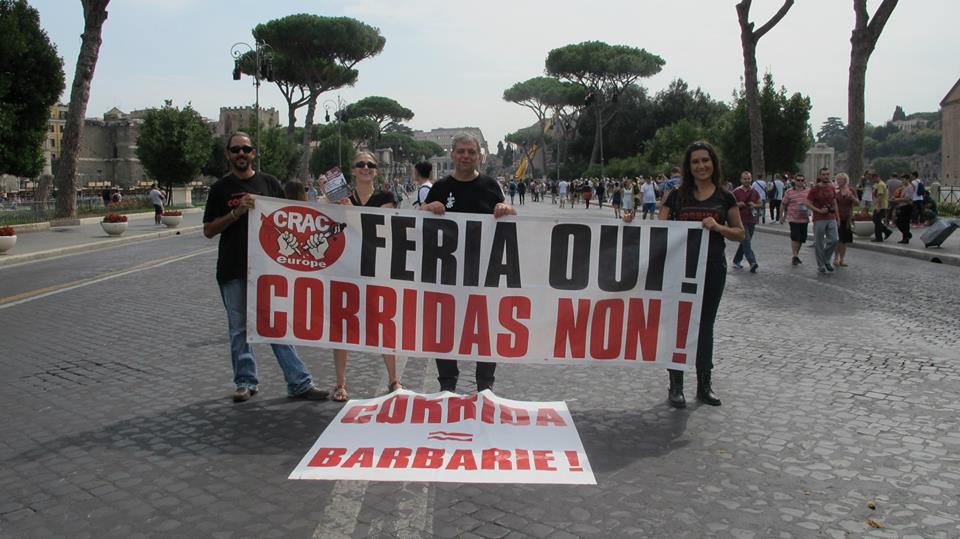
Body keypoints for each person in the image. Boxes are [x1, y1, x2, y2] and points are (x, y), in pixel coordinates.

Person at [202, 132, 329, 403]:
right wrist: (236, 212)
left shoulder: (269, 183)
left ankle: (299, 382)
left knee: (276, 326)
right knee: (239, 330)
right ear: (228, 154)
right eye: (235, 149)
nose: (241, 153)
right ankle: (245, 382)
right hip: (233, 268)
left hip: (268, 270)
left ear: (253, 153)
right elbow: (209, 230)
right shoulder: (219, 189)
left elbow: (291, 218)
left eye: (246, 149)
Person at [639, 140, 743, 408]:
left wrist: (718, 227)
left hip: (712, 268)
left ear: (713, 163)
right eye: (695, 162)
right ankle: (676, 385)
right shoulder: (675, 196)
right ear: (689, 166)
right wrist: (629, 223)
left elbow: (739, 234)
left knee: (705, 326)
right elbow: (658, 229)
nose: (701, 166)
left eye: (705, 160)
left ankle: (704, 385)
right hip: (679, 270)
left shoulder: (726, 197)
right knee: (679, 325)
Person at [421, 133, 516, 393]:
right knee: (445, 327)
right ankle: (447, 384)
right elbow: (418, 222)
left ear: (479, 156)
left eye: (471, 151)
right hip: (447, 273)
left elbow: (512, 217)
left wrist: (507, 209)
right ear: (452, 154)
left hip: (483, 272)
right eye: (461, 151)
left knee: (485, 328)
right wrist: (427, 209)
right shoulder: (440, 188)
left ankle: (485, 385)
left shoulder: (490, 186)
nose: (465, 156)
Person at [323, 151, 404, 401]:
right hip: (345, 268)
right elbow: (321, 216)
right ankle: (340, 384)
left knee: (384, 323)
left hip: (376, 268)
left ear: (376, 170)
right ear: (353, 170)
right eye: (360, 164)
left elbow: (378, 229)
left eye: (370, 164)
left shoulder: (386, 198)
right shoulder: (341, 198)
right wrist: (326, 194)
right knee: (341, 326)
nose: (365, 167)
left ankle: (394, 379)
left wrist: (350, 212)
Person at [806, 167, 839, 273]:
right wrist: (819, 211)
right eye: (823, 174)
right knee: (819, 242)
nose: (826, 176)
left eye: (827, 174)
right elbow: (807, 203)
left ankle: (826, 259)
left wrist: (837, 217)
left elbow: (834, 202)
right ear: (820, 176)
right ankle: (821, 264)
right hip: (819, 218)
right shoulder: (815, 189)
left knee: (834, 240)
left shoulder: (831, 187)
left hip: (831, 217)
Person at [779, 174, 812, 265]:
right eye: (798, 180)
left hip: (804, 218)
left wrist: (810, 209)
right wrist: (781, 216)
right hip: (793, 218)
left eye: (802, 180)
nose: (800, 182)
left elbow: (812, 202)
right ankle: (794, 256)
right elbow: (783, 204)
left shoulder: (808, 191)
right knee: (795, 237)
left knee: (801, 239)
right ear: (795, 181)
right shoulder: (789, 192)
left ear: (804, 181)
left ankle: (796, 255)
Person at [731, 171, 760, 272]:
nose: (747, 180)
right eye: (745, 179)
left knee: (745, 242)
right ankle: (752, 262)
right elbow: (729, 205)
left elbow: (760, 203)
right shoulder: (736, 191)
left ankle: (736, 260)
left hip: (751, 219)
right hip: (740, 220)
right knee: (746, 240)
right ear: (741, 180)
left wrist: (754, 205)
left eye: (749, 179)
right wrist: (738, 204)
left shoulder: (754, 191)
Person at [833, 173, 859, 267]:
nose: (839, 181)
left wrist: (852, 197)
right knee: (837, 239)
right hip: (837, 217)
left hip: (847, 218)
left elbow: (857, 203)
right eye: (838, 179)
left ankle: (842, 259)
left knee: (844, 240)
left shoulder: (851, 190)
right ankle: (836, 258)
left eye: (841, 179)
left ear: (845, 180)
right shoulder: (835, 190)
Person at [870, 171, 893, 242]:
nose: (873, 181)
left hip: (881, 205)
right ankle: (886, 232)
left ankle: (879, 237)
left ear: (876, 177)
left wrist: (878, 206)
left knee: (876, 221)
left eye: (873, 179)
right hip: (882, 205)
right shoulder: (880, 184)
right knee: (876, 220)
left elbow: (880, 196)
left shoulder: (880, 185)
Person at [892, 173, 915, 243]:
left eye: (903, 179)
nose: (902, 181)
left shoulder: (910, 187)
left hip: (907, 206)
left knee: (904, 223)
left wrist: (897, 200)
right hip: (902, 206)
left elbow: (907, 199)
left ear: (907, 179)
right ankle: (906, 236)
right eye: (902, 179)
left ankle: (906, 237)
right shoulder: (903, 187)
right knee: (900, 222)